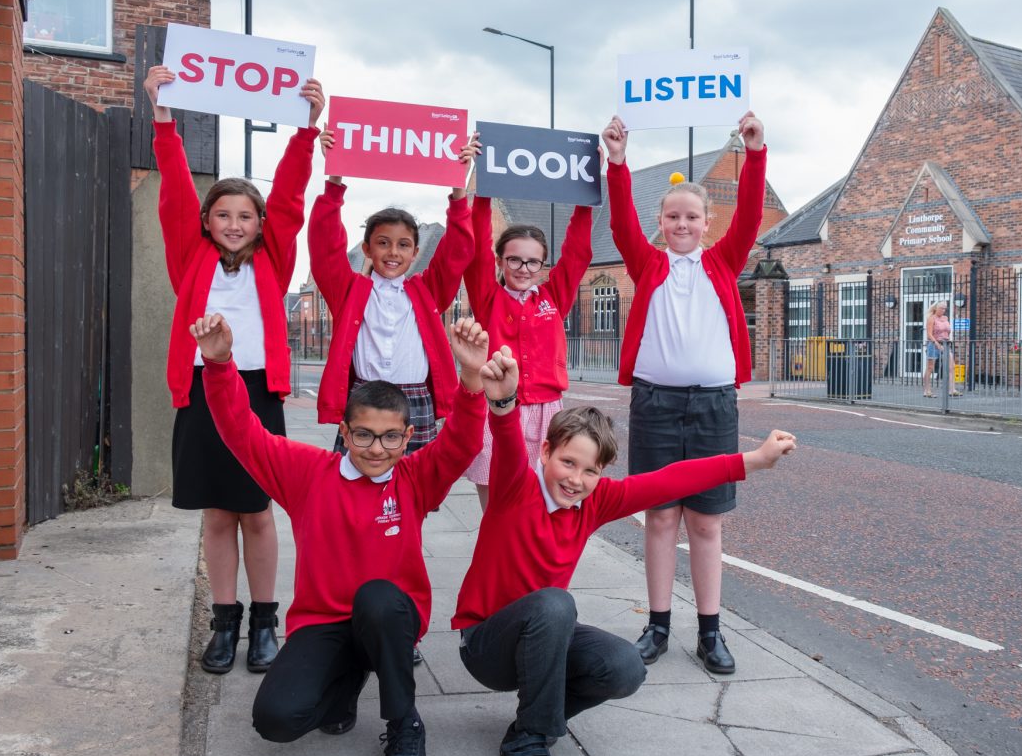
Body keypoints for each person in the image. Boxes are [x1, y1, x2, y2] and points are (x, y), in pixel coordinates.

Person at [454, 345, 797, 756]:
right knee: (556, 603)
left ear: (603, 473)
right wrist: (504, 401)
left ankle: (530, 726)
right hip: (487, 645)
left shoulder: (596, 501)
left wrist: (754, 461)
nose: (575, 479)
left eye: (591, 470)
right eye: (567, 462)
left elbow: (671, 480)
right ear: (544, 453)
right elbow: (505, 439)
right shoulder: (514, 486)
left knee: (624, 667)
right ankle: (530, 744)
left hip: (544, 638)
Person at [191, 314, 490, 756]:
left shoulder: (416, 477)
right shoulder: (309, 473)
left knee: (378, 598)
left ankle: (404, 721)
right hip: (323, 622)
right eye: (364, 434)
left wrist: (470, 378)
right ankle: (347, 681)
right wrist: (219, 365)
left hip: (392, 616)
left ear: (408, 437)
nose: (376, 448)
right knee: (275, 719)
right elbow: (242, 432)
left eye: (391, 436)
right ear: (345, 432)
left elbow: (464, 442)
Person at [144, 64, 324, 674]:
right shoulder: (189, 255)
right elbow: (172, 190)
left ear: (259, 224)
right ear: (207, 222)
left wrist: (305, 131)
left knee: (257, 510)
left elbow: (292, 198)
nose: (234, 224)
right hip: (202, 390)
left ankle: (266, 622)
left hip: (256, 393)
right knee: (217, 513)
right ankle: (225, 625)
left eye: (245, 216)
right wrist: (163, 119)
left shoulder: (273, 256)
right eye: (223, 215)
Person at [600, 110, 766, 674]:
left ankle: (711, 633)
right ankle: (657, 626)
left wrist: (754, 151)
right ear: (662, 221)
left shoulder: (724, 259)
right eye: (673, 216)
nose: (682, 224)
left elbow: (748, 219)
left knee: (706, 523)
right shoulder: (647, 263)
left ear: (705, 221)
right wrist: (617, 162)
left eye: (692, 216)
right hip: (655, 405)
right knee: (661, 518)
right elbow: (621, 224)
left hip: (714, 405)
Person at [309, 130, 479, 455]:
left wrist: (459, 191)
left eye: (403, 245)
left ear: (415, 253)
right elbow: (324, 245)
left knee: (414, 489)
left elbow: (458, 249)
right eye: (383, 243)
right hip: (364, 397)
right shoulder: (350, 290)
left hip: (415, 402)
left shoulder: (426, 290)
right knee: (356, 486)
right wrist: (335, 178)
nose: (393, 252)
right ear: (367, 248)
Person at [464, 140, 595, 510]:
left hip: (548, 411)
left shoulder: (553, 297)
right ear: (501, 261)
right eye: (514, 260)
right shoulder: (487, 296)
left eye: (533, 262)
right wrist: (483, 195)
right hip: (499, 409)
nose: (523, 269)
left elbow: (579, 252)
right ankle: (494, 566)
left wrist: (585, 199)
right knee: (496, 504)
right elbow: (475, 248)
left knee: (541, 504)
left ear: (543, 265)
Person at [923, 300, 961, 398]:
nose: (943, 310)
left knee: (951, 366)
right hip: (933, 344)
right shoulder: (931, 318)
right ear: (936, 308)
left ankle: (952, 390)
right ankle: (927, 391)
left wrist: (946, 340)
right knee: (930, 368)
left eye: (945, 308)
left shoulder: (945, 318)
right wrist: (936, 343)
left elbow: (947, 331)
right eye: (941, 308)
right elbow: (929, 334)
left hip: (945, 344)